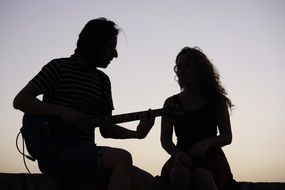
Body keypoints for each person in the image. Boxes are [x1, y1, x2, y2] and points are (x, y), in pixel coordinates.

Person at [13, 17, 155, 190]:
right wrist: (61, 112)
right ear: (95, 45)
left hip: (88, 154)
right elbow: (20, 100)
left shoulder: (103, 82)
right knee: (122, 158)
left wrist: (137, 134)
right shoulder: (58, 68)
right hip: (57, 155)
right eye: (111, 47)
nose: (115, 54)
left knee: (148, 183)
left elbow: (106, 128)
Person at [160, 47, 238, 190]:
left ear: (200, 69)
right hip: (182, 154)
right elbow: (165, 140)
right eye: (179, 66)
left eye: (187, 65)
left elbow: (227, 136)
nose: (182, 70)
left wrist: (207, 142)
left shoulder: (217, 101)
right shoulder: (170, 103)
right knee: (179, 174)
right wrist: (177, 154)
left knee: (202, 176)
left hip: (211, 156)